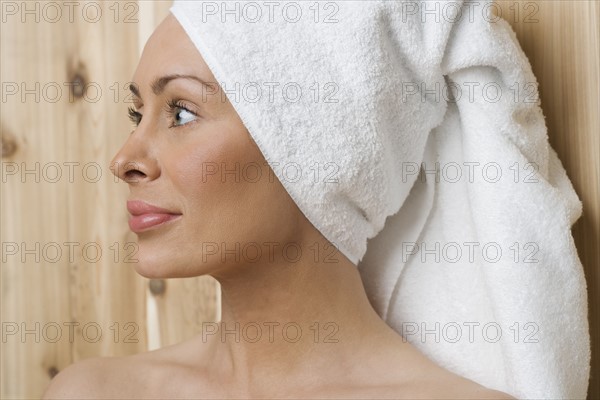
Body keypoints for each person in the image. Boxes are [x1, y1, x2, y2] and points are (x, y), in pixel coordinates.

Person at [42, 12, 515, 400]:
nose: (124, 160)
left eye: (181, 112)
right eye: (137, 113)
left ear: (322, 148)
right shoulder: (91, 393)